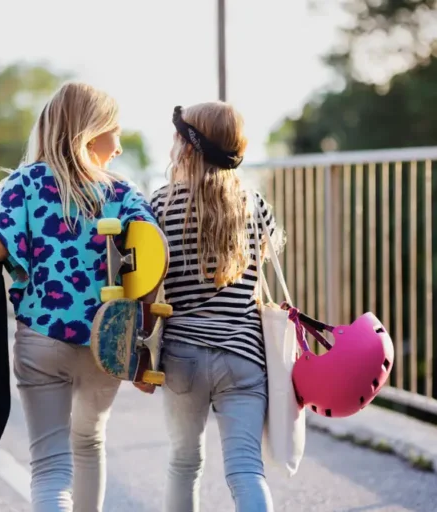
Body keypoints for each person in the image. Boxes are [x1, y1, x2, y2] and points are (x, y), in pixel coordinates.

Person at [0, 82, 157, 512]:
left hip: (42, 338)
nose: (119, 143)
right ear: (92, 133)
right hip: (106, 342)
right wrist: (146, 349)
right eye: (115, 130)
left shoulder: (25, 182)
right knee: (90, 442)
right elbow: (153, 253)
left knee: (51, 467)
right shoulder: (120, 192)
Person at [145, 102, 279, 511]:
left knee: (184, 463)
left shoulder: (161, 206)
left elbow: (148, 283)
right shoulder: (254, 204)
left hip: (182, 356)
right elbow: (263, 268)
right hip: (244, 356)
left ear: (188, 147)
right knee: (245, 469)